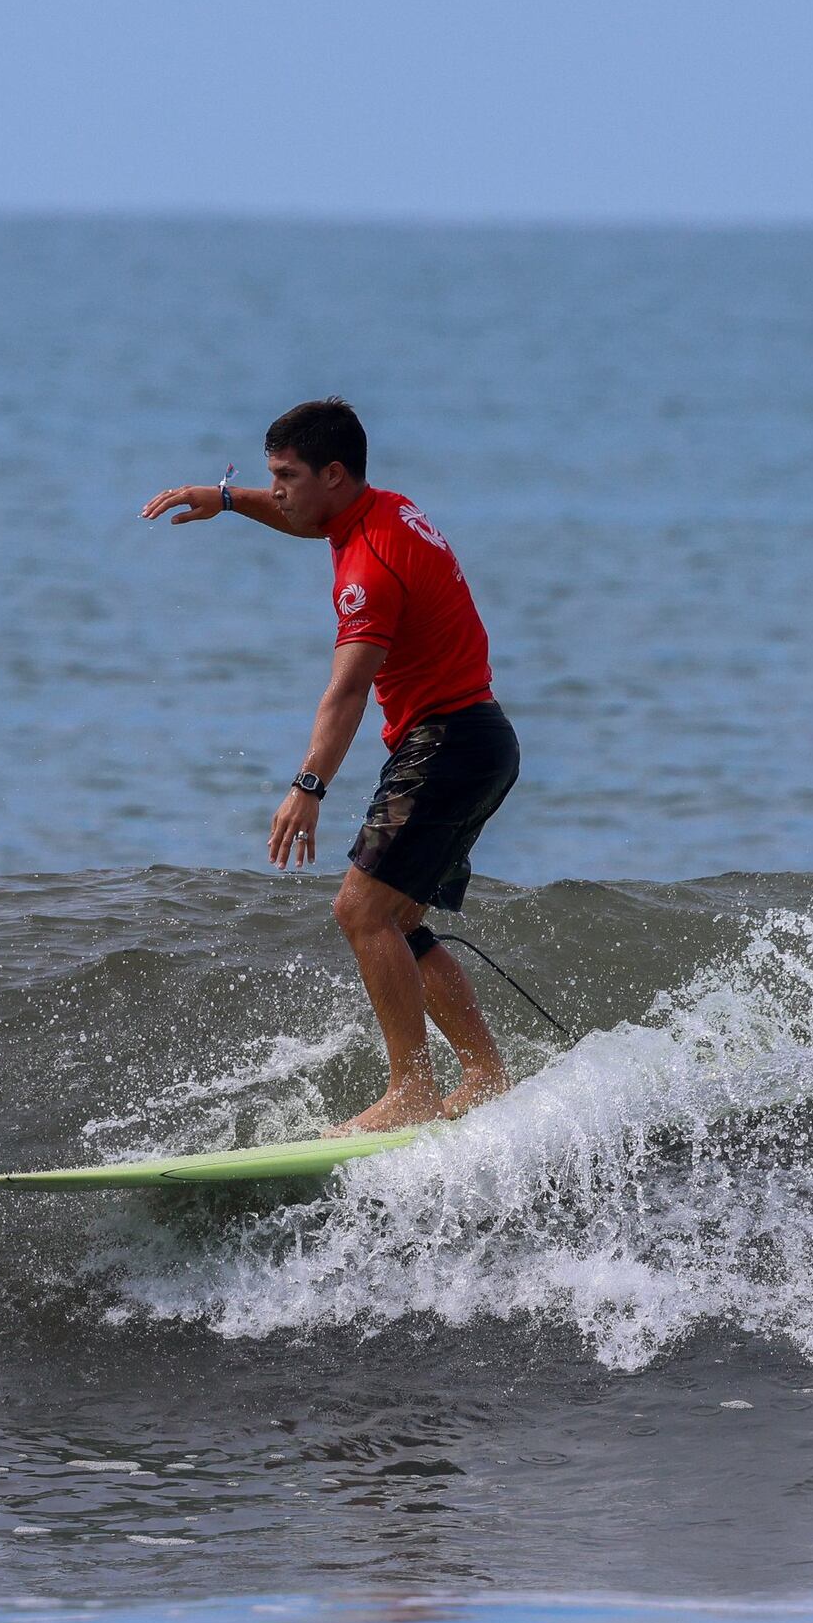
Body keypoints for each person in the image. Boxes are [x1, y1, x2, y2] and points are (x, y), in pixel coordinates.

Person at [141, 398, 519, 1134]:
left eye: (285, 474)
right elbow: (301, 516)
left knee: (360, 911)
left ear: (335, 474)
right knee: (400, 920)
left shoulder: (368, 568)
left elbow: (345, 692)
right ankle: (486, 1073)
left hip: (445, 743)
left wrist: (307, 786)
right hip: (480, 740)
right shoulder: (383, 511)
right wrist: (224, 499)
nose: (274, 488)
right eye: (268, 476)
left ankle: (411, 1088)